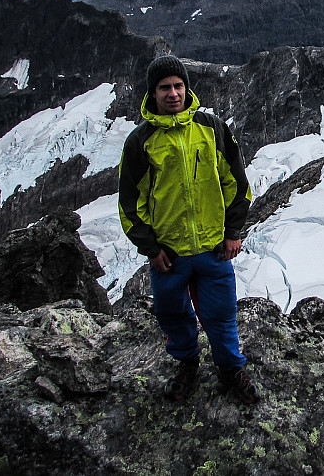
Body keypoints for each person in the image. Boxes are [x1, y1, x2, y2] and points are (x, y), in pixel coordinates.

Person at [118, 54, 258, 403]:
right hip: (170, 254)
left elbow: (236, 183)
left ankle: (230, 370)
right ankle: (187, 366)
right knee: (172, 314)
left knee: (222, 314)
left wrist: (233, 231)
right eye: (164, 87)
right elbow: (130, 202)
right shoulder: (140, 142)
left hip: (213, 247)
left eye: (178, 85)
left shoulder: (211, 128)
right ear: (152, 93)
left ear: (187, 87)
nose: (173, 93)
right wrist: (151, 247)